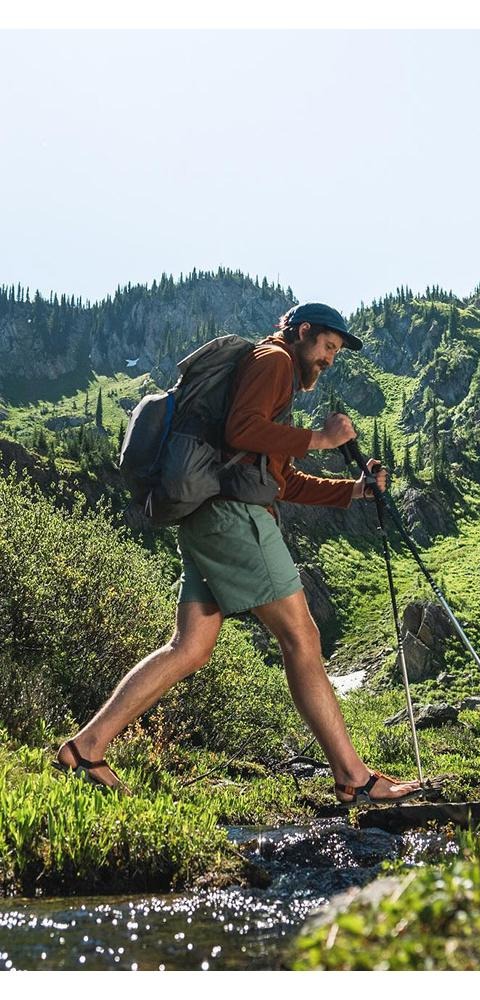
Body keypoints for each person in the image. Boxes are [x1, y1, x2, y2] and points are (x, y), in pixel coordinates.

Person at [55, 303, 423, 804]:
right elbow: (241, 431)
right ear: (303, 332)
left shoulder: (276, 376)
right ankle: (353, 779)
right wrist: (321, 438)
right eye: (328, 347)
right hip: (233, 520)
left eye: (336, 352)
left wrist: (352, 491)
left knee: (188, 648)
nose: (330, 359)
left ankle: (85, 748)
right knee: (300, 635)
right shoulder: (273, 361)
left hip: (207, 518)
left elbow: (278, 478)